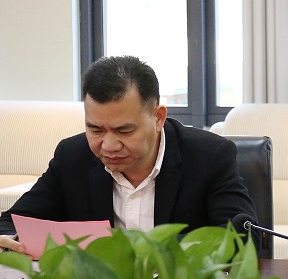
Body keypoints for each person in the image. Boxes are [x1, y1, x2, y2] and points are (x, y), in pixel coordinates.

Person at [0, 55, 256, 253]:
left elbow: (243, 239)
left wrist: (143, 250)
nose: (109, 145)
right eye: (96, 130)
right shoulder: (72, 157)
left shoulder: (209, 156)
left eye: (124, 130)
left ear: (158, 117)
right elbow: (12, 223)